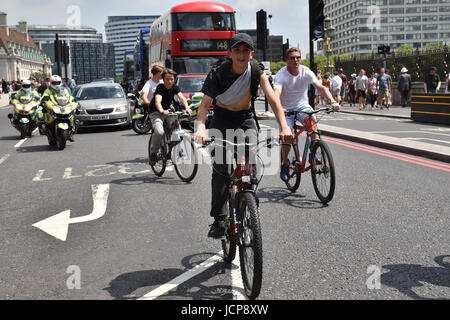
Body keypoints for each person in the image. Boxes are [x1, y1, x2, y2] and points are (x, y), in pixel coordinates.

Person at [193, 33, 292, 238]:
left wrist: (284, 127)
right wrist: (201, 129)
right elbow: (203, 107)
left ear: (251, 53)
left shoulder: (256, 70)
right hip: (221, 119)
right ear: (229, 53)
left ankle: (248, 200)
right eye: (237, 50)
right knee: (220, 168)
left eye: (245, 51)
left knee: (250, 164)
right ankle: (219, 219)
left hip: (246, 119)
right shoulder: (218, 73)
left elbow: (274, 101)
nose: (241, 55)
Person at [273, 48, 340, 183]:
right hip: (285, 109)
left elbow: (321, 88)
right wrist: (279, 109)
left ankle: (314, 151)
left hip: (302, 105)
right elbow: (276, 94)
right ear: (286, 60)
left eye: (298, 57)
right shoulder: (281, 75)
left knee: (312, 123)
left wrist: (332, 101)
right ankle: (285, 163)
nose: (295, 60)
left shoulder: (306, 71)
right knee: (287, 136)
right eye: (292, 58)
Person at [148, 68, 192, 165]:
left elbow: (182, 98)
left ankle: (170, 152)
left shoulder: (175, 88)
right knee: (159, 132)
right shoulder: (160, 88)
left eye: (171, 79)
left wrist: (187, 108)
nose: (170, 81)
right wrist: (162, 111)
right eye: (167, 79)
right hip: (156, 112)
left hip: (168, 112)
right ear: (163, 80)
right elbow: (157, 101)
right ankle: (153, 154)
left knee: (175, 129)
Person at [40, 75, 77, 141]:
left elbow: (69, 96)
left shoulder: (64, 90)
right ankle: (46, 129)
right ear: (51, 83)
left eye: (57, 82)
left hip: (62, 106)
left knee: (73, 114)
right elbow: (43, 97)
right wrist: (44, 100)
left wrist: (73, 99)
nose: (56, 84)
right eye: (54, 83)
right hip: (53, 107)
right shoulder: (48, 90)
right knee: (45, 114)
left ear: (60, 82)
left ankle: (71, 131)